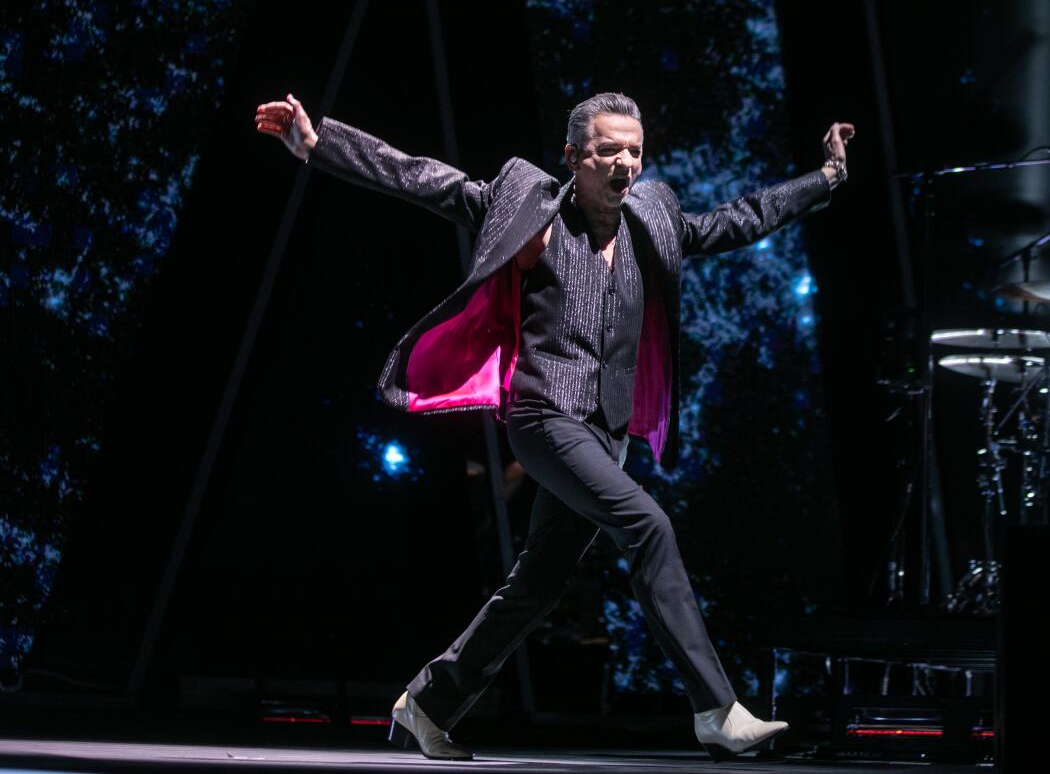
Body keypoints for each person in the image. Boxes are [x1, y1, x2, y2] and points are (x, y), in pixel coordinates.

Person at [255, 91, 853, 761]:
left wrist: (824, 179)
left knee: (538, 585)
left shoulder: (652, 221)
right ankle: (715, 707)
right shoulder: (529, 208)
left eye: (634, 151)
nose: (623, 164)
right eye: (606, 152)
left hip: (607, 433)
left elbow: (739, 219)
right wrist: (318, 142)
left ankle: (427, 703)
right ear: (574, 158)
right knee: (647, 524)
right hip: (543, 417)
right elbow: (420, 175)